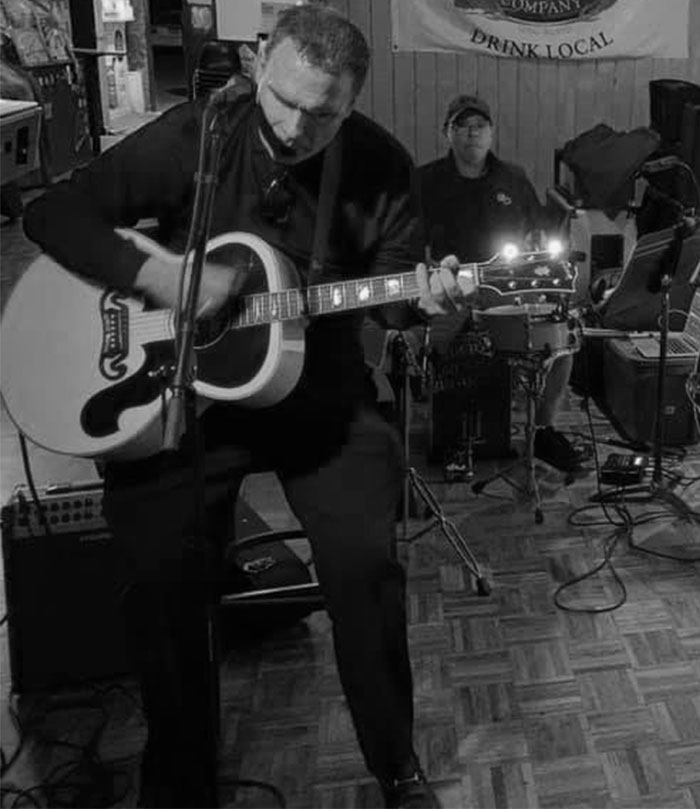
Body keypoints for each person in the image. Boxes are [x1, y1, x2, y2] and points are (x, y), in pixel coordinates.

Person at [22, 6, 464, 807]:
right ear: (260, 62)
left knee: (367, 567)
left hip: (318, 394)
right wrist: (161, 277)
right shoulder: (198, 135)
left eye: (322, 115)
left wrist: (425, 300)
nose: (295, 128)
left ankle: (396, 767)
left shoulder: (382, 167)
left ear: (352, 102)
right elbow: (50, 214)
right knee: (162, 574)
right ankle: (180, 780)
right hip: (182, 390)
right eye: (285, 100)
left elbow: (396, 302)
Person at [415, 93, 587, 475]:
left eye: (480, 126)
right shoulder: (425, 181)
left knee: (561, 340)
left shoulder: (514, 178)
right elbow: (411, 245)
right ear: (447, 133)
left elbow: (537, 233)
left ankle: (542, 430)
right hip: (450, 290)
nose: (472, 133)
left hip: (508, 289)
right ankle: (450, 432)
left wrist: (541, 250)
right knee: (427, 351)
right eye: (462, 126)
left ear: (491, 133)